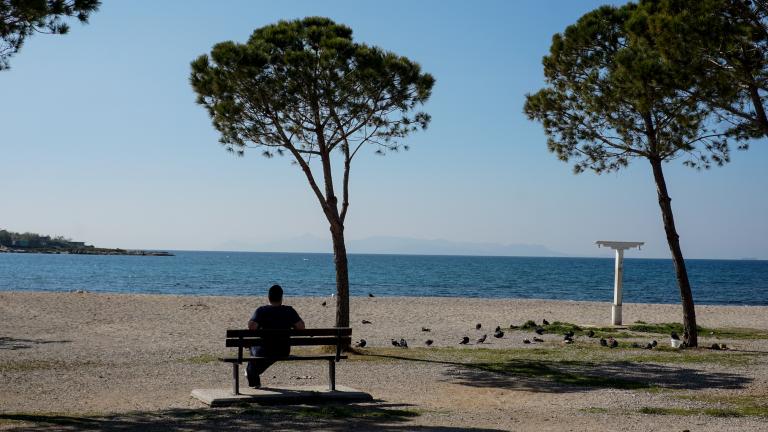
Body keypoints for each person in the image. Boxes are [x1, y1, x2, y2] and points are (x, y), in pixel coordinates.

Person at [245, 284, 305, 388]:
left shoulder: (261, 310)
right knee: (258, 357)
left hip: (265, 349)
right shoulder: (289, 311)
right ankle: (252, 374)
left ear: (268, 297)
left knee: (252, 348)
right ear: (281, 298)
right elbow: (301, 327)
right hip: (283, 349)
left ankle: (252, 376)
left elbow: (252, 327)